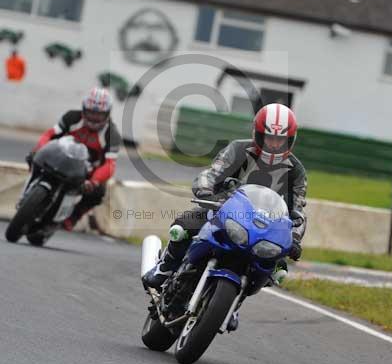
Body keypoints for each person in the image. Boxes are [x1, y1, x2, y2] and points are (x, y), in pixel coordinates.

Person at [143, 103, 307, 291]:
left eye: (281, 140)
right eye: (269, 138)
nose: (275, 144)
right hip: (223, 211)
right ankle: (164, 269)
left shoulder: (296, 171)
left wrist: (294, 238)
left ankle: (236, 301)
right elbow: (212, 173)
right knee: (183, 227)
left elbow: (298, 210)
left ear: (291, 140)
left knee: (278, 270)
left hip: (264, 228)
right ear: (258, 134)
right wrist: (206, 190)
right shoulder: (238, 149)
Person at [28, 87, 121, 230]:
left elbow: (109, 164)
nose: (93, 118)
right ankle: (29, 190)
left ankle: (73, 217)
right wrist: (40, 148)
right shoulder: (72, 117)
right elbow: (49, 134)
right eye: (91, 112)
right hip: (60, 156)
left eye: (98, 115)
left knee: (99, 191)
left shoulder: (111, 134)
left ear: (107, 114)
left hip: (86, 170)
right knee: (32, 156)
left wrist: (94, 181)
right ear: (84, 109)